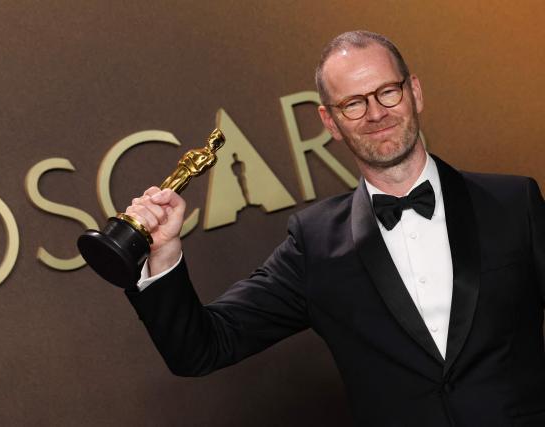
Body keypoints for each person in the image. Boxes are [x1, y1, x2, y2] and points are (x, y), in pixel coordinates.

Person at [121, 31, 545, 427]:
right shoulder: (314, 243)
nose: (376, 113)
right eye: (354, 103)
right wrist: (163, 254)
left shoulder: (513, 202)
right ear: (330, 122)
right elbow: (201, 349)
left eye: (387, 92)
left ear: (414, 92)